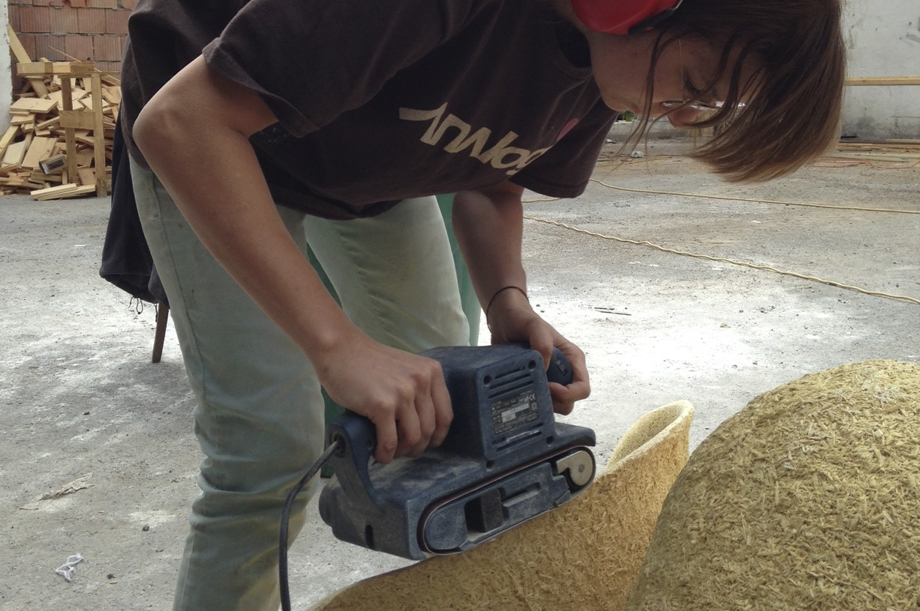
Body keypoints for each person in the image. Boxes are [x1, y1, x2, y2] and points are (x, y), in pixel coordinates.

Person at [118, 0, 845, 608]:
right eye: (696, 84)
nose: (685, 117)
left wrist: (509, 304)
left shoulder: (601, 68)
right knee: (269, 455)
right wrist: (337, 346)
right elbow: (183, 123)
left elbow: (494, 178)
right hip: (215, 135)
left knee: (452, 402)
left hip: (366, 161)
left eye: (715, 106)